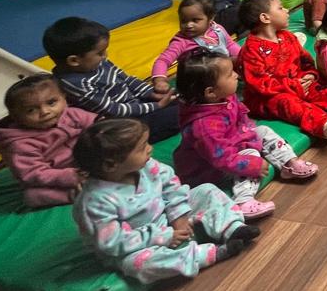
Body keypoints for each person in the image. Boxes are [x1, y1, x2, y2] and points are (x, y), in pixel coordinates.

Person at [72, 118, 259, 282]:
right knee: (138, 264)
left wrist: (179, 216)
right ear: (111, 165)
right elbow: (114, 243)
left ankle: (232, 228)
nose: (150, 149)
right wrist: (164, 236)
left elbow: (171, 186)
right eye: (142, 148)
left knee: (206, 191)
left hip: (167, 217)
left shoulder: (147, 166)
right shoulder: (95, 202)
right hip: (137, 244)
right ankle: (209, 254)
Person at [173, 48, 318, 220]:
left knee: (263, 131)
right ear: (210, 92)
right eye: (230, 74)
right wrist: (253, 164)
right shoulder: (204, 126)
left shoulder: (224, 96)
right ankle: (244, 201)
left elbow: (241, 119)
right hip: (207, 169)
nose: (236, 75)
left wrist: (249, 134)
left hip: (232, 141)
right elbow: (222, 159)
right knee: (250, 156)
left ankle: (288, 164)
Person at [236, 0, 327, 142]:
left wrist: (310, 74)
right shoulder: (251, 50)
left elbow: (305, 60)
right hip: (269, 97)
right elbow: (260, 84)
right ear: (265, 18)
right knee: (289, 103)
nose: (287, 10)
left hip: (299, 84)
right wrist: (293, 85)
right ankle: (323, 124)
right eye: (280, 8)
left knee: (322, 89)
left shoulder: (287, 36)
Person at [43, 16, 179, 142]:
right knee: (179, 113)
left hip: (134, 105)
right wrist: (156, 106)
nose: (105, 56)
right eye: (100, 53)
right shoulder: (75, 83)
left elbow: (126, 79)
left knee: (181, 95)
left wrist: (151, 93)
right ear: (74, 60)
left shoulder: (97, 63)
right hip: (121, 124)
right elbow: (112, 110)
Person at [0, 74, 96, 209]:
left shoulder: (72, 114)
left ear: (64, 97)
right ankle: (74, 194)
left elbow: (99, 127)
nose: (45, 112)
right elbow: (32, 173)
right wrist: (71, 176)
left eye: (51, 102)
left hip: (88, 163)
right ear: (16, 117)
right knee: (33, 195)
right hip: (55, 177)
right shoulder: (20, 143)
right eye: (31, 110)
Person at [150, 0, 240, 92]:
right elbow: (163, 60)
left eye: (195, 20)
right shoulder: (181, 41)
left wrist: (242, 56)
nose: (189, 25)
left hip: (222, 73)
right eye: (183, 21)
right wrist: (160, 80)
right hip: (198, 84)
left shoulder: (218, 29)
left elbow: (230, 45)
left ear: (210, 18)